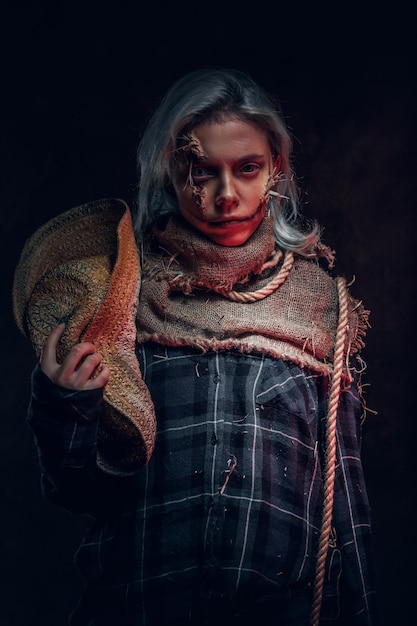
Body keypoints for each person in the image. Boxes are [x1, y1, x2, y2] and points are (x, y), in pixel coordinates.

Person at [12, 67, 377, 625]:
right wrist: (66, 402)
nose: (225, 195)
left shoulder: (323, 307)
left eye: (248, 168)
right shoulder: (122, 293)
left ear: (276, 167)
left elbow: (345, 507)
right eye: (201, 172)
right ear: (168, 168)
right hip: (138, 602)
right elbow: (77, 490)